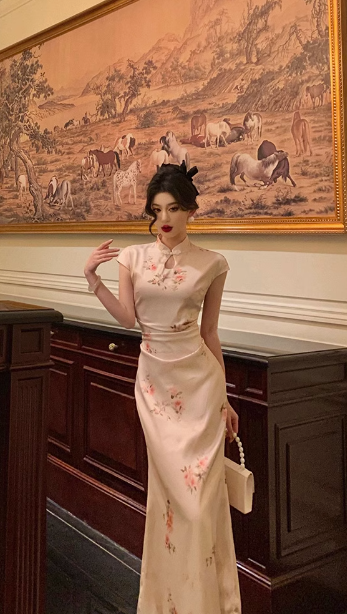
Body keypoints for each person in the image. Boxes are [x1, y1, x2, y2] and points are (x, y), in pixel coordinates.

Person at [84, 162, 241, 614]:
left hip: (201, 386)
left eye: (173, 208)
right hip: (154, 384)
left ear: (191, 209)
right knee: (173, 496)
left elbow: (210, 332)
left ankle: (207, 601)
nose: (164, 218)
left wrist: (225, 398)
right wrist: (93, 279)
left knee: (201, 501)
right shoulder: (133, 258)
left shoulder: (213, 263)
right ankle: (167, 601)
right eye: (157, 210)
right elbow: (128, 319)